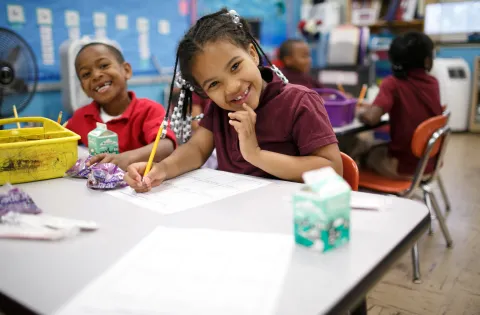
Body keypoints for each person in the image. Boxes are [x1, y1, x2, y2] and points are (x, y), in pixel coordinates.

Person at [124, 8, 342, 192]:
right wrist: (162, 169)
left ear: (252, 54)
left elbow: (332, 169)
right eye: (214, 84)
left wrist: (255, 155)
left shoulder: (298, 101)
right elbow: (197, 150)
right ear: (204, 92)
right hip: (235, 214)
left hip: (291, 217)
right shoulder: (220, 109)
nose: (232, 87)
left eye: (235, 66)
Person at [66, 42, 176, 170]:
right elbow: (62, 144)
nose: (96, 75)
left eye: (103, 65)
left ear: (126, 70)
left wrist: (126, 158)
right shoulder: (81, 117)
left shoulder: (149, 110)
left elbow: (166, 145)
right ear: (83, 88)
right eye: (86, 74)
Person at [357, 32, 442, 179]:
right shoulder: (433, 83)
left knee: (358, 154)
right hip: (429, 163)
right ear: (427, 61)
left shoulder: (392, 84)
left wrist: (357, 112)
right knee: (376, 146)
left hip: (403, 168)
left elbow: (371, 118)